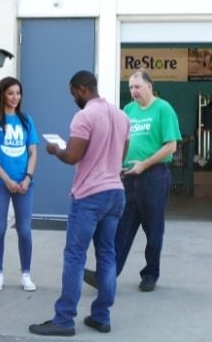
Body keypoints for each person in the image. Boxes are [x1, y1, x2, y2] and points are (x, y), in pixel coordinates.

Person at [29, 71, 129, 337]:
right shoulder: (121, 116)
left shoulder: (84, 116)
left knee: (75, 256)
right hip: (116, 193)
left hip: (89, 196)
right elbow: (122, 154)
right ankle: (101, 316)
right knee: (107, 255)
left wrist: (55, 150)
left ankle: (64, 320)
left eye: (73, 92)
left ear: (83, 89)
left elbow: (73, 156)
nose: (73, 97)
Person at [84, 69, 181, 293]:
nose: (133, 91)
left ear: (149, 86)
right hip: (128, 176)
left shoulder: (163, 109)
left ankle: (150, 274)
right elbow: (120, 140)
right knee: (122, 227)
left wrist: (144, 164)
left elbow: (171, 146)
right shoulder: (128, 110)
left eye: (137, 87)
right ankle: (106, 276)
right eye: (130, 88)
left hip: (154, 176)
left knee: (153, 228)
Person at [0, 76, 39, 292]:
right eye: (11, 93)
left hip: (24, 185)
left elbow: (33, 152)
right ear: (2, 93)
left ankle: (26, 274)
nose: (15, 97)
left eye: (18, 93)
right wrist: (7, 180)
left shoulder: (26, 120)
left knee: (24, 230)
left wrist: (27, 178)